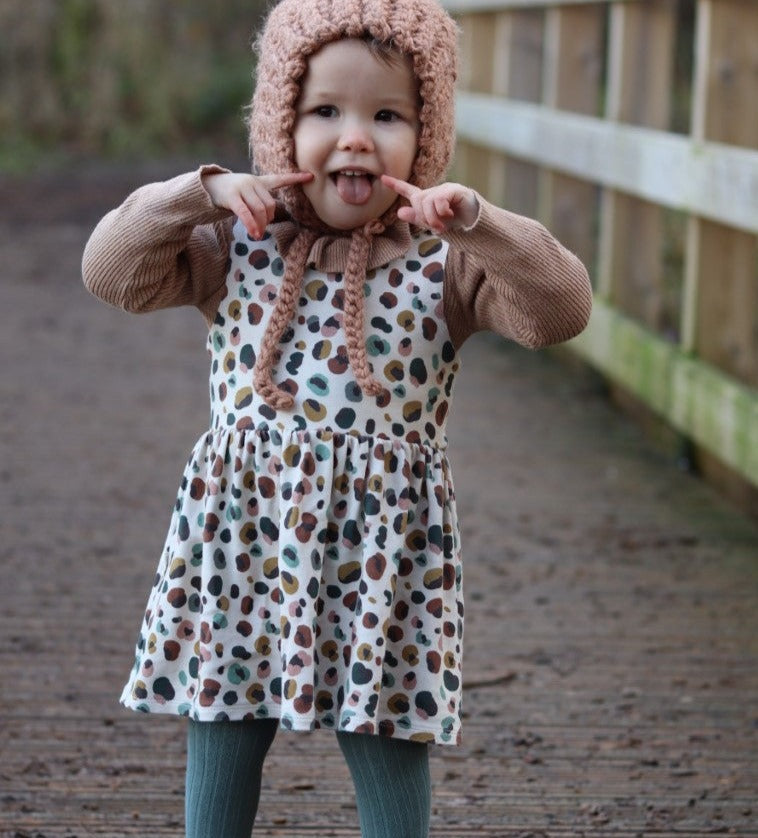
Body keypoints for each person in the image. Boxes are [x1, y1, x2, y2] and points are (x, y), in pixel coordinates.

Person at [82, 0, 592, 835]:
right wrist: (200, 192)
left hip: (385, 557)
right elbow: (111, 270)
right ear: (282, 126)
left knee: (390, 738)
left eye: (387, 115)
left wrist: (482, 225)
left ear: (424, 137)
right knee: (224, 726)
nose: (355, 136)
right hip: (243, 544)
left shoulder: (444, 266)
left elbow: (561, 309)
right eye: (325, 111)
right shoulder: (238, 244)